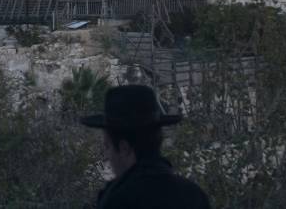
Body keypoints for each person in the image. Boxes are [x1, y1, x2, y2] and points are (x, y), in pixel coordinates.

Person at [81, 84, 210, 209]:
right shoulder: (194, 196)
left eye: (107, 146)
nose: (106, 155)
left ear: (124, 148)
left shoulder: (117, 200)